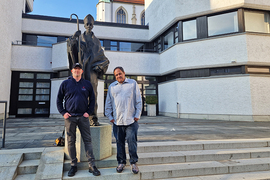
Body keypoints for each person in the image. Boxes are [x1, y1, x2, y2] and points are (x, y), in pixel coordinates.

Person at [56, 63, 101, 177]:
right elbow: (59, 100)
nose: (77, 71)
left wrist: (88, 112)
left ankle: (92, 165)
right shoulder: (65, 83)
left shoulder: (87, 84)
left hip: (83, 117)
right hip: (70, 118)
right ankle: (73, 165)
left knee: (88, 141)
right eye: (75, 69)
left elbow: (92, 100)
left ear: (81, 71)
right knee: (71, 141)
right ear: (72, 71)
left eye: (79, 69)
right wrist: (63, 112)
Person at [67, 14, 110, 126]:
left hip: (91, 70)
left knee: (92, 94)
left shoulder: (97, 41)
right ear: (84, 25)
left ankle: (93, 117)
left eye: (91, 24)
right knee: (79, 93)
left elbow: (101, 55)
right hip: (81, 69)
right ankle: (79, 116)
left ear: (93, 25)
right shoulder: (79, 38)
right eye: (87, 24)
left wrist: (101, 64)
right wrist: (73, 38)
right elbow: (72, 50)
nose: (89, 26)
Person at [105, 66, 142, 174]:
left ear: (124, 73)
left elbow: (138, 100)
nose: (118, 76)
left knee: (132, 142)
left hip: (131, 120)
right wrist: (110, 117)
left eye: (120, 73)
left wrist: (137, 115)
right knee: (119, 143)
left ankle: (133, 162)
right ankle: (121, 162)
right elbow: (108, 103)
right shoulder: (112, 87)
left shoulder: (132, 83)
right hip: (117, 122)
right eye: (116, 75)